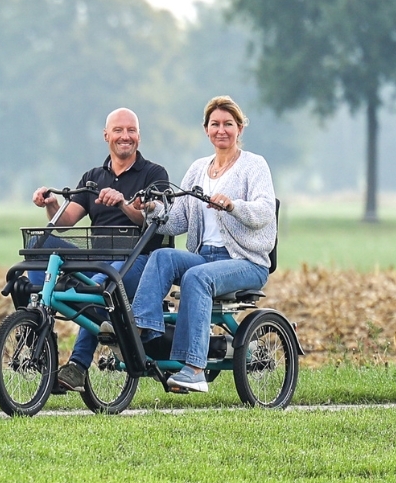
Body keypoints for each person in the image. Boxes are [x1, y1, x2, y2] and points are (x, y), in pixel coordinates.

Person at [129, 96, 277, 393]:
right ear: (206, 129)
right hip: (205, 257)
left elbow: (264, 211)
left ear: (239, 129)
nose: (221, 130)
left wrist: (233, 205)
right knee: (162, 257)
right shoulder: (198, 168)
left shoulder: (254, 165)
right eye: (215, 124)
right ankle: (143, 330)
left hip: (246, 261)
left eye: (228, 124)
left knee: (197, 277)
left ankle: (195, 369)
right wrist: (153, 210)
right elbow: (177, 220)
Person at [29, 108, 169, 392]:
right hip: (96, 260)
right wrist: (51, 204)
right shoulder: (93, 176)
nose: (125, 136)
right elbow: (67, 221)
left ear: (139, 137)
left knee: (98, 284)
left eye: (131, 130)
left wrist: (122, 203)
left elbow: (150, 219)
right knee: (36, 246)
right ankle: (39, 310)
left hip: (137, 261)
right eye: (118, 130)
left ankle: (78, 366)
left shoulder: (154, 174)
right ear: (106, 135)